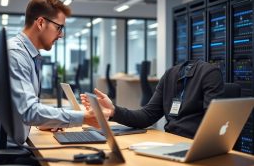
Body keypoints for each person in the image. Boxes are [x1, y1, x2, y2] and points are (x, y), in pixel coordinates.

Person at [0, 0, 100, 155]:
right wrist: (84, 117)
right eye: (59, 27)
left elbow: (22, 109)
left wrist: (44, 121)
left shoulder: (26, 55)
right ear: (41, 22)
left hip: (3, 145)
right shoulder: (15, 55)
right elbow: (29, 111)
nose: (61, 35)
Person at [81, 60, 225, 139]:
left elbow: (214, 124)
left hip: (195, 145)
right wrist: (113, 111)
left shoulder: (210, 74)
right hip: (171, 142)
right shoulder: (170, 75)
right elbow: (147, 116)